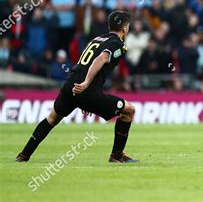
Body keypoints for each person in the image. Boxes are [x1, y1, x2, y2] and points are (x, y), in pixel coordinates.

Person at [16, 11, 138, 163]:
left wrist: (81, 95)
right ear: (125, 28)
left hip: (70, 85)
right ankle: (117, 155)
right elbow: (101, 59)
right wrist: (86, 85)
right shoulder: (118, 44)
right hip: (86, 89)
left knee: (52, 118)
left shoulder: (97, 39)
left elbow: (83, 63)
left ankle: (24, 155)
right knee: (129, 111)